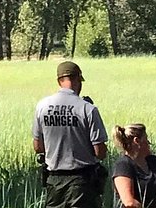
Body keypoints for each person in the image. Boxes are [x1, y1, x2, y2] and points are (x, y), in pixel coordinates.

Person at [32, 60, 109, 207]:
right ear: (78, 79)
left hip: (54, 181)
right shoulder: (87, 108)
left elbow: (38, 147)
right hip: (82, 182)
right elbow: (100, 152)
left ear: (59, 81)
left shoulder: (42, 106)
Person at [112, 124, 156, 208]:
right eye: (146, 139)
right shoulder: (123, 165)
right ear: (137, 141)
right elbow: (129, 202)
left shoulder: (153, 161)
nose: (149, 144)